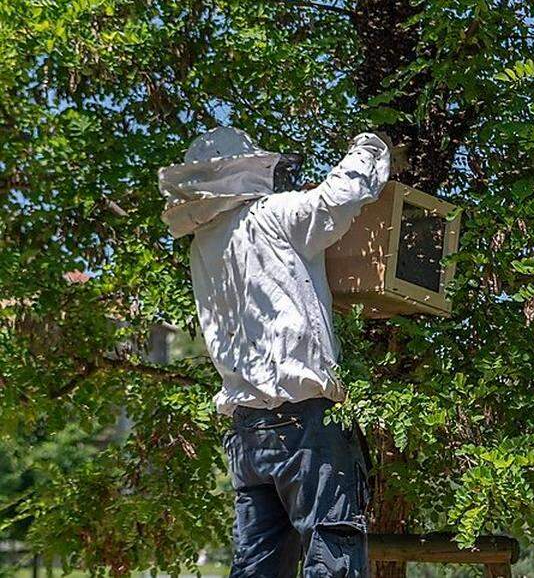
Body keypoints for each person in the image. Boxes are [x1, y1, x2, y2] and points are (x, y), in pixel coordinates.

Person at [159, 126, 391, 577]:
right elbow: (338, 196)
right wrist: (369, 145)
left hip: (248, 432)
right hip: (303, 422)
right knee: (332, 551)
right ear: (244, 171)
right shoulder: (274, 216)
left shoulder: (203, 246)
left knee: (258, 565)